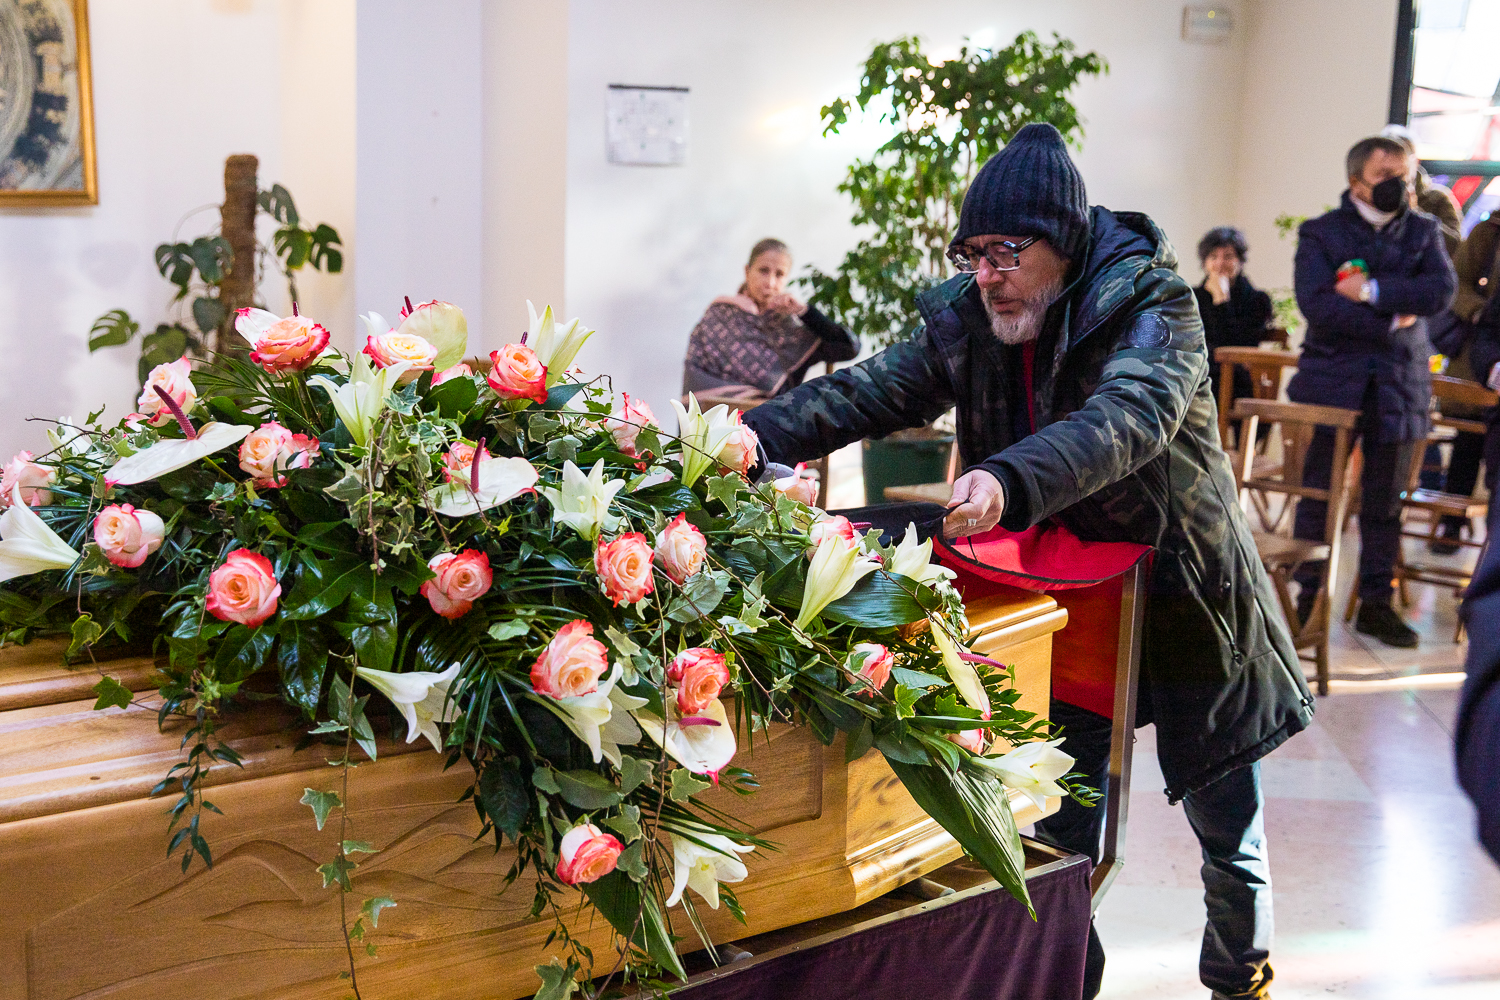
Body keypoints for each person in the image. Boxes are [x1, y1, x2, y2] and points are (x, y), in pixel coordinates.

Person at [743, 122, 1313, 1000]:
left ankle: (1241, 978)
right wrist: (744, 437)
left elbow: (1128, 419)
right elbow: (868, 390)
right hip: (1066, 602)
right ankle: (1070, 980)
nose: (986, 275)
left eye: (1005, 252)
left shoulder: (1156, 304)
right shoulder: (974, 319)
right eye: (972, 254)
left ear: (1065, 241)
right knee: (1057, 826)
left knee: (1226, 827)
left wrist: (1009, 479)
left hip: (1188, 597)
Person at [1287, 135, 1456, 649]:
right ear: (1356, 181)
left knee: (1386, 502)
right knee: (1319, 495)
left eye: (1405, 176)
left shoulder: (1424, 230)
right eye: (1386, 176)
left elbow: (1440, 292)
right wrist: (1391, 320)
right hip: (1332, 382)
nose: (1398, 186)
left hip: (1399, 385)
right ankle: (1308, 598)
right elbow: (1317, 304)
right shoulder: (1321, 232)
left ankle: (1376, 604)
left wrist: (1373, 291)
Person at [681, 238, 859, 399]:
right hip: (720, 420)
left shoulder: (792, 330)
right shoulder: (719, 316)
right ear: (747, 271)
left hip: (775, 421)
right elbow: (695, 376)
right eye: (763, 271)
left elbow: (848, 347)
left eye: (779, 274)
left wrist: (805, 312)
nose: (770, 283)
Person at [1193, 226, 1274, 413]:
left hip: (1236, 378)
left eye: (1228, 256)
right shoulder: (1192, 298)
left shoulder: (1257, 300)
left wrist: (1221, 301)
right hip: (1199, 372)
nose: (1220, 263)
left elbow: (1238, 344)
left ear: (1240, 261)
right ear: (1205, 262)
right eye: (1213, 257)